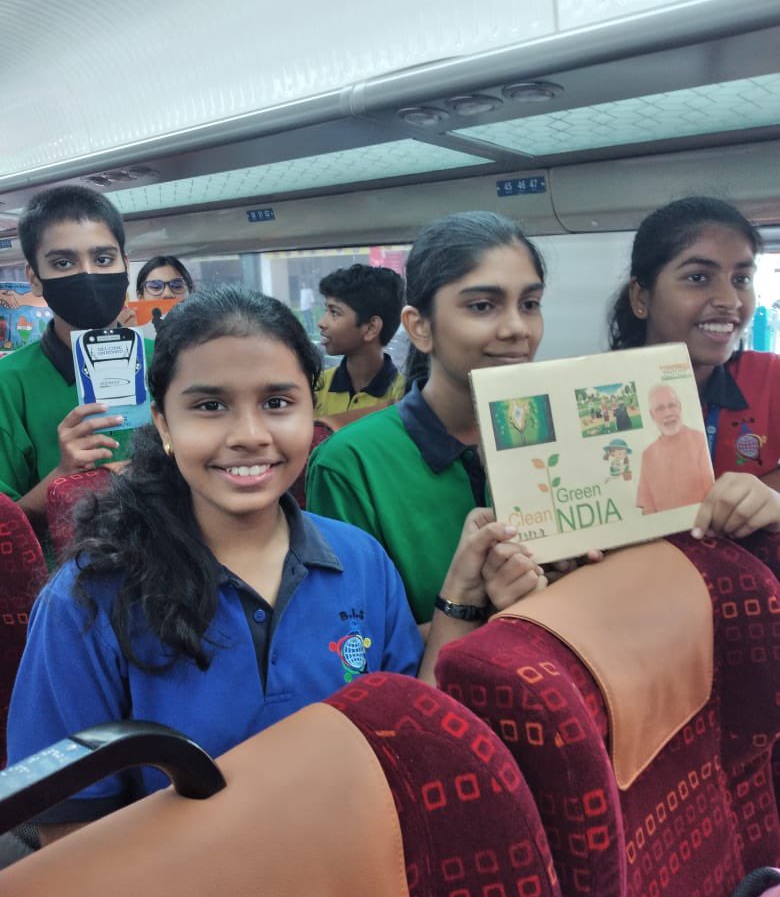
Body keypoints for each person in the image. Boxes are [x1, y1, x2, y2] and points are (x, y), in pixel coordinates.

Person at [7, 285, 544, 845]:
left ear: (311, 413)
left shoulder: (360, 561)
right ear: (164, 424)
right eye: (209, 406)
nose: (250, 436)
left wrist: (460, 598)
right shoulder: (86, 601)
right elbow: (70, 837)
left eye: (277, 403)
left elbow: (405, 735)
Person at [306, 211, 552, 624]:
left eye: (529, 304)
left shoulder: (554, 434)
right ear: (419, 327)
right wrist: (485, 612)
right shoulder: (349, 464)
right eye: (482, 306)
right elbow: (355, 644)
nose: (517, 328)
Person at [608, 196, 780, 538]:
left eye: (741, 279)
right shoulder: (602, 393)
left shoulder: (770, 379)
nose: (730, 300)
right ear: (641, 298)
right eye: (698, 277)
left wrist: (774, 499)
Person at [0, 186, 152, 524]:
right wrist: (63, 478)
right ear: (35, 278)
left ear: (125, 265)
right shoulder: (8, 383)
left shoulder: (168, 361)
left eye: (103, 259)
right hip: (65, 557)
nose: (88, 274)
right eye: (63, 263)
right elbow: (6, 526)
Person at [315, 264, 405, 418]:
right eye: (326, 310)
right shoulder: (316, 387)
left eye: (334, 312)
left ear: (371, 328)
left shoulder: (404, 397)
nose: (321, 323)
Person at [635, 384, 712, 513]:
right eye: (660, 409)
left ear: (679, 407)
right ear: (652, 415)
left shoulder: (700, 440)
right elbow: (647, 506)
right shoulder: (648, 455)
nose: (668, 413)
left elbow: (711, 496)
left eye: (672, 405)